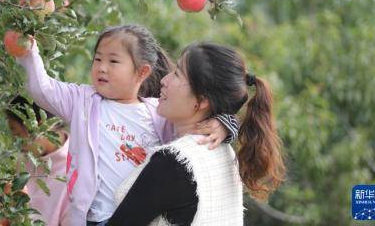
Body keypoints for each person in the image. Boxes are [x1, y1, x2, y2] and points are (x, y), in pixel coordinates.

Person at [13, 25, 240, 225]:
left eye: (113, 61)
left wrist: (225, 124)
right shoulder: (81, 102)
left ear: (142, 72)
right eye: (98, 59)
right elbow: (42, 89)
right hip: (93, 218)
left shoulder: (156, 113)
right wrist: (29, 50)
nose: (102, 67)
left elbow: (195, 124)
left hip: (137, 215)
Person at [107, 42, 286, 226]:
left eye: (177, 74)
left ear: (201, 101)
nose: (164, 80)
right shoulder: (224, 153)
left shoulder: (173, 162)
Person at [5, 95, 70, 226]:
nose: (18, 144)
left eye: (17, 134)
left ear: (37, 126)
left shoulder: (79, 168)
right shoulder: (24, 161)